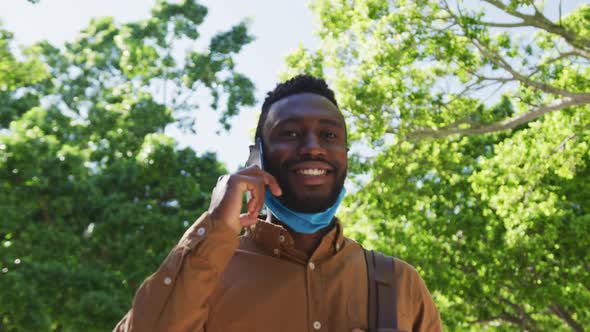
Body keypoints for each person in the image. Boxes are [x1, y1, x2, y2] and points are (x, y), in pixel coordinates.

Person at [114, 75, 441, 332]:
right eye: (291, 133)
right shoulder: (206, 271)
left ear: (344, 154)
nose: (313, 148)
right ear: (257, 155)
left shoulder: (399, 283)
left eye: (329, 136)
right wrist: (214, 227)